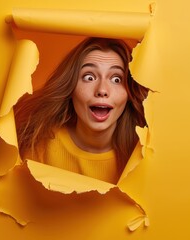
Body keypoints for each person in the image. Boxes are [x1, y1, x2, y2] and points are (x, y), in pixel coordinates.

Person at [14, 37, 148, 184]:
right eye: (89, 77)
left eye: (116, 79)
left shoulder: (143, 154)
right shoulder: (39, 145)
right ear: (71, 88)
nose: (102, 90)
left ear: (129, 94)